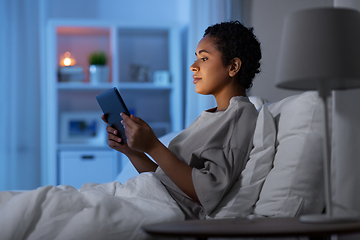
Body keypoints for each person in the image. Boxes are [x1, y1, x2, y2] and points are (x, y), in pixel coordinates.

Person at [102, 20, 262, 220]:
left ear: (233, 66)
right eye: (196, 58)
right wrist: (131, 151)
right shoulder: (214, 116)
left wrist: (153, 146)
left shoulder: (239, 117)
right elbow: (166, 182)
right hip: (152, 199)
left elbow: (207, 192)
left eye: (203, 59)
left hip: (164, 212)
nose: (193, 66)